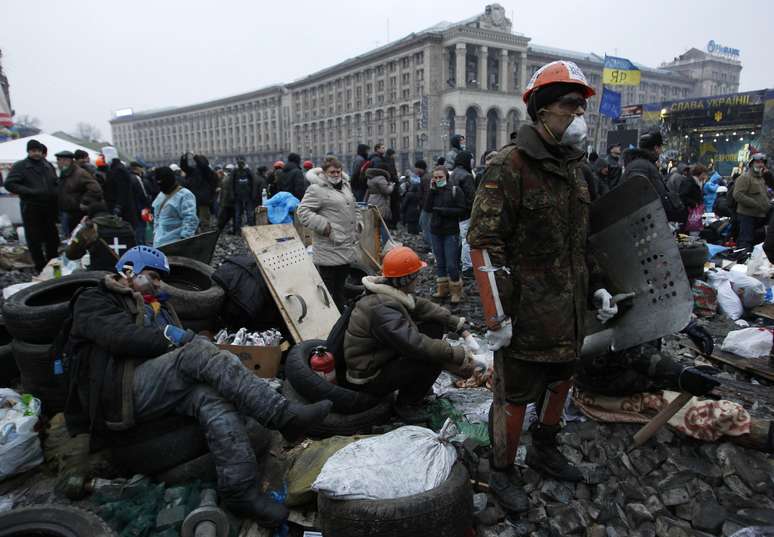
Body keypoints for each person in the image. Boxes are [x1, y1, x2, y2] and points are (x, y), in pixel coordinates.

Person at [65, 246, 332, 528]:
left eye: (159, 279)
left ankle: (240, 491)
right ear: (129, 270)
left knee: (211, 396)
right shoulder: (95, 297)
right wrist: (174, 337)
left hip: (157, 386)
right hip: (119, 391)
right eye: (153, 276)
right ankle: (282, 416)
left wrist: (177, 335)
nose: (158, 284)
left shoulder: (161, 307)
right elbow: (118, 337)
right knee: (197, 352)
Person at [467, 60, 617, 514]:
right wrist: (497, 317)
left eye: (580, 107)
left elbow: (579, 238)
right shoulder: (509, 165)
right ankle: (502, 469)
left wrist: (598, 287)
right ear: (542, 110)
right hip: (526, 312)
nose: (579, 116)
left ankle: (546, 450)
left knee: (561, 380)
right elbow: (484, 244)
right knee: (514, 394)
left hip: (568, 309)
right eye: (571, 106)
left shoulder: (574, 169)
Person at [343, 246, 476, 421]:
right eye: (416, 275)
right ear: (406, 280)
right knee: (433, 358)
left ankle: (417, 383)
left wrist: (457, 325)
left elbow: (423, 306)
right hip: (368, 377)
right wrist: (456, 353)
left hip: (379, 357)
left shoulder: (389, 291)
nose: (418, 279)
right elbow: (415, 344)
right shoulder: (382, 309)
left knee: (434, 325)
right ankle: (406, 404)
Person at [297, 157, 362, 311]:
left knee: (340, 285)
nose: (336, 174)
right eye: (332, 171)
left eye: (338, 171)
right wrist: (326, 227)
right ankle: (329, 317)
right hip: (328, 246)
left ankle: (340, 314)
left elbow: (354, 207)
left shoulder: (346, 186)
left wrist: (359, 224)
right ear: (324, 173)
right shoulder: (316, 189)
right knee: (328, 287)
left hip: (346, 244)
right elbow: (303, 212)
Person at [4, 139, 60, 272]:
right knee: (34, 239)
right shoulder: (21, 166)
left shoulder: (47, 166)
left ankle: (53, 264)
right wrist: (29, 192)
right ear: (28, 151)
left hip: (49, 207)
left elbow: (53, 182)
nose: (36, 153)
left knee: (52, 238)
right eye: (33, 151)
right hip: (31, 206)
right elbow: (10, 184)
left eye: (38, 151)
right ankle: (40, 266)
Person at [622, 130, 685, 223]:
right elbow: (637, 198)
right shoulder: (641, 166)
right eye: (660, 148)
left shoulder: (644, 164)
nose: (661, 151)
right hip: (643, 224)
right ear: (656, 148)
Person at [425, 166, 466, 304]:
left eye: (440, 177)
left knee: (451, 264)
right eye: (435, 178)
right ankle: (442, 289)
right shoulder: (434, 191)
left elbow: (462, 210)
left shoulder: (455, 190)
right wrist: (431, 191)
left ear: (446, 177)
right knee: (440, 263)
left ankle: (456, 290)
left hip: (450, 231)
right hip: (436, 231)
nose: (437, 180)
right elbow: (427, 208)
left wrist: (443, 211)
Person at [65, 194, 136, 270]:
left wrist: (80, 228)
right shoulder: (126, 226)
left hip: (101, 275)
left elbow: (71, 254)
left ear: (90, 216)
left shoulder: (90, 228)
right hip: (127, 273)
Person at [55, 150, 103, 235]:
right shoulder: (63, 173)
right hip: (65, 212)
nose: (61, 162)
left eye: (65, 160)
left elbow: (96, 188)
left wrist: (84, 202)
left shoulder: (79, 173)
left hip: (77, 213)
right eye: (59, 160)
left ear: (71, 161)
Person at [151, 166, 199, 247]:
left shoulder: (185, 195)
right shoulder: (161, 195)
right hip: (159, 244)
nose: (161, 187)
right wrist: (155, 233)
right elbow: (157, 217)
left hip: (176, 244)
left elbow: (190, 219)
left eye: (162, 184)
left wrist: (184, 239)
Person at [733, 153, 770, 251]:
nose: (760, 165)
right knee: (746, 242)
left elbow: (763, 195)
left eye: (762, 162)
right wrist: (756, 204)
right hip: (747, 216)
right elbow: (737, 195)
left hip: (760, 216)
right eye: (757, 162)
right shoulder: (745, 177)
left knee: (758, 242)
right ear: (751, 164)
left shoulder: (761, 179)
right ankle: (743, 263)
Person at [450, 151, 476, 276]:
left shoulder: (453, 173)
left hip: (455, 212)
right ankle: (467, 266)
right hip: (466, 213)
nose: (473, 161)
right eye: (471, 159)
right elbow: (471, 197)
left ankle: (457, 263)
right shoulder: (467, 176)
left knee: (459, 239)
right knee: (466, 239)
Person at [104, 158, 142, 237]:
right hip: (124, 210)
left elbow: (122, 190)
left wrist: (118, 206)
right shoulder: (118, 169)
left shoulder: (118, 170)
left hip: (123, 211)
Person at [179, 152, 217, 229]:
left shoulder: (208, 171)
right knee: (193, 219)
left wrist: (195, 157)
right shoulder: (193, 171)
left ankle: (205, 236)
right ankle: (195, 235)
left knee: (204, 221)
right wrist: (184, 158)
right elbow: (184, 167)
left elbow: (203, 166)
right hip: (194, 199)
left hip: (203, 200)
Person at [232, 158, 258, 231]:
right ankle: (251, 229)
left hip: (240, 196)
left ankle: (238, 230)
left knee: (239, 214)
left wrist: (232, 195)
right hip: (246, 196)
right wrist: (253, 194)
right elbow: (254, 182)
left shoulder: (236, 172)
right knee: (248, 213)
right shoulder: (247, 171)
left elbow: (231, 184)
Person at [129, 162, 151, 244]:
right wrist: (148, 204)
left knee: (136, 230)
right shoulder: (137, 178)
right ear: (137, 168)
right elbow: (143, 194)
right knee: (142, 229)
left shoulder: (127, 177)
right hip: (141, 208)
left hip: (131, 209)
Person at [416, 160, 433, 249]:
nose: (416, 171)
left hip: (427, 207)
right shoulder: (426, 177)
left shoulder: (426, 178)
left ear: (421, 168)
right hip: (426, 206)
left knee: (425, 225)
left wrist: (425, 206)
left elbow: (427, 194)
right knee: (424, 224)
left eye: (417, 168)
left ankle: (429, 245)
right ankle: (428, 244)